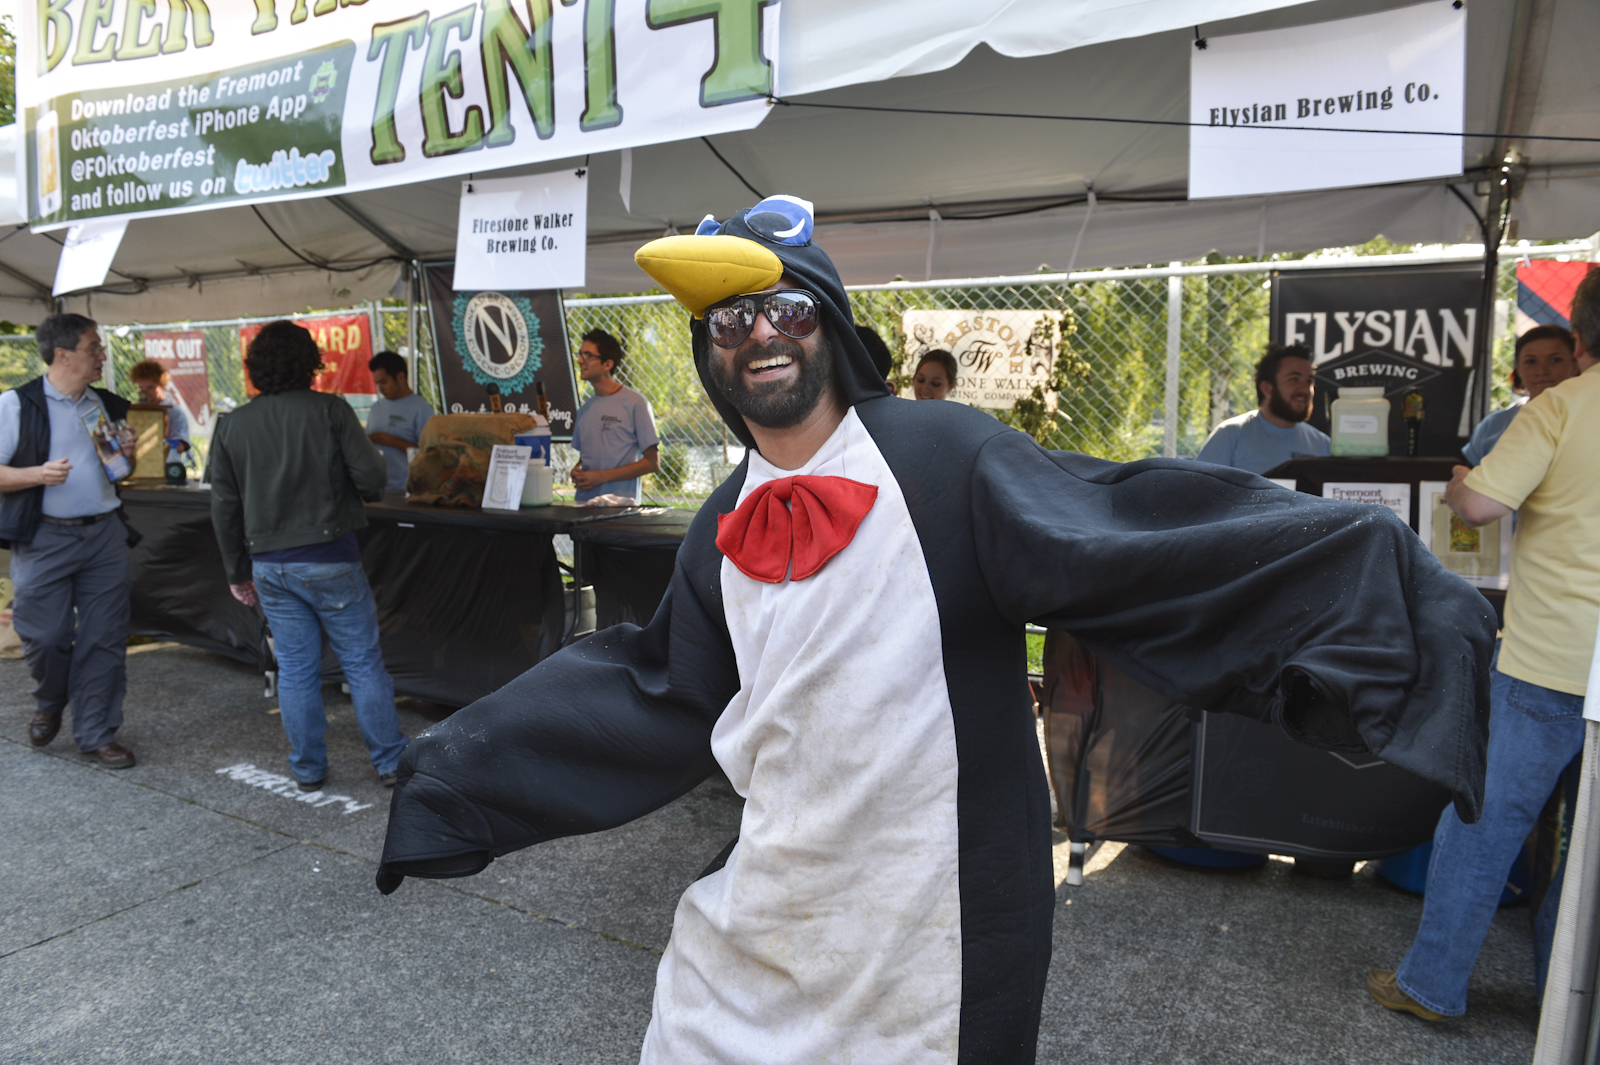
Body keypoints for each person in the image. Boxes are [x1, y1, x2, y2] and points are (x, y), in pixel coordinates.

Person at [378, 194, 1493, 1064]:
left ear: (830, 330)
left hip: (930, 923)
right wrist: (456, 780)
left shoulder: (942, 459)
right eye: (726, 321)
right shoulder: (724, 521)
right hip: (766, 914)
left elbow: (1134, 529)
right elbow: (655, 688)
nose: (754, 335)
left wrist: (1383, 592)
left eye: (782, 309)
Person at [1370, 271, 1600, 1023]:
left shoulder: (1557, 412)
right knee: (1589, 859)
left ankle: (1432, 984)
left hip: (1547, 664)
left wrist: (1463, 476)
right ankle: (1568, 1007)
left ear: (1577, 340)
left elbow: (1478, 505)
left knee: (1482, 824)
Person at [207, 321, 407, 791]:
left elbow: (224, 506)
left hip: (268, 564)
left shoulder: (232, 424)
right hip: (330, 553)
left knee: (295, 669)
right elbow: (373, 481)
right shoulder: (330, 410)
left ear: (255, 368)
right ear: (309, 364)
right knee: (361, 661)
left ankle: (308, 768)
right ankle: (391, 761)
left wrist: (237, 572)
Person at [0, 313, 138, 768]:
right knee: (44, 635)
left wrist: (128, 457)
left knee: (104, 637)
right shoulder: (16, 405)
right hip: (42, 538)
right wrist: (35, 475)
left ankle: (97, 732)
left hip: (103, 535)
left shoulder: (104, 404)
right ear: (63, 354)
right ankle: (51, 699)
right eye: (93, 347)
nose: (102, 355)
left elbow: (120, 473)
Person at [1196, 344, 1331, 474]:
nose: (1304, 389)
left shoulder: (1323, 445)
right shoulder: (1230, 435)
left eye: (1309, 381)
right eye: (1294, 379)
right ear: (1267, 388)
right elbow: (1200, 491)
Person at [1461, 324, 1578, 464]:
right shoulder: (1494, 425)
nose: (1541, 370)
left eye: (1555, 360)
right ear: (1519, 370)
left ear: (1575, 365)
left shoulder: (1589, 417)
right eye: (1531, 362)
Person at [569, 328, 659, 502]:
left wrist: (601, 477)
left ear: (608, 364)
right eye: (580, 354)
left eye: (587, 355)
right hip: (583, 508)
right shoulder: (584, 409)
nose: (580, 360)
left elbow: (652, 462)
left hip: (621, 510)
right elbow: (587, 459)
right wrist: (578, 471)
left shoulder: (636, 403)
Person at [364, 350, 434, 493]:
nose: (380, 388)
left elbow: (430, 454)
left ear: (401, 377)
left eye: (384, 382)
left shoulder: (421, 409)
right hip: (377, 489)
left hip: (407, 489)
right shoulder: (376, 408)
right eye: (377, 383)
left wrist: (393, 441)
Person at [128, 359, 192, 465]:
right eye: (141, 388)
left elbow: (181, 445)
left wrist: (164, 444)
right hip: (140, 464)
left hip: (167, 464)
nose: (146, 393)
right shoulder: (135, 412)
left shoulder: (174, 412)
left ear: (162, 384)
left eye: (150, 388)